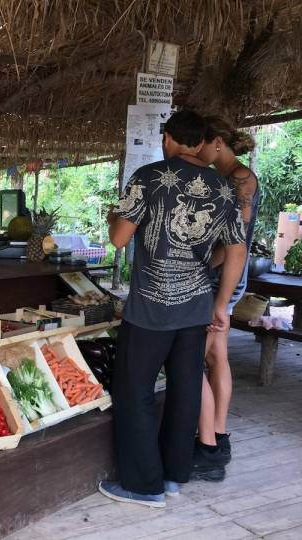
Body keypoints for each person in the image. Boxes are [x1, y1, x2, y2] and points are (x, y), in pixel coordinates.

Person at [99, 110, 248, 508]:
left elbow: (118, 238)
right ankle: (172, 477)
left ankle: (142, 486)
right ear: (201, 143)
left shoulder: (148, 177)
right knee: (185, 392)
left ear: (166, 137)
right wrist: (221, 304)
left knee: (134, 391)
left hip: (150, 308)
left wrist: (116, 213)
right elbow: (236, 249)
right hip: (196, 308)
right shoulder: (223, 189)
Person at [192, 117, 259, 481]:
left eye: (199, 145)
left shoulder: (241, 177)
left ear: (216, 142)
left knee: (194, 355)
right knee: (217, 353)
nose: (195, 151)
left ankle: (208, 446)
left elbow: (236, 239)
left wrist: (203, 264)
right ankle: (217, 434)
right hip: (221, 276)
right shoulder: (223, 177)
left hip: (223, 277)